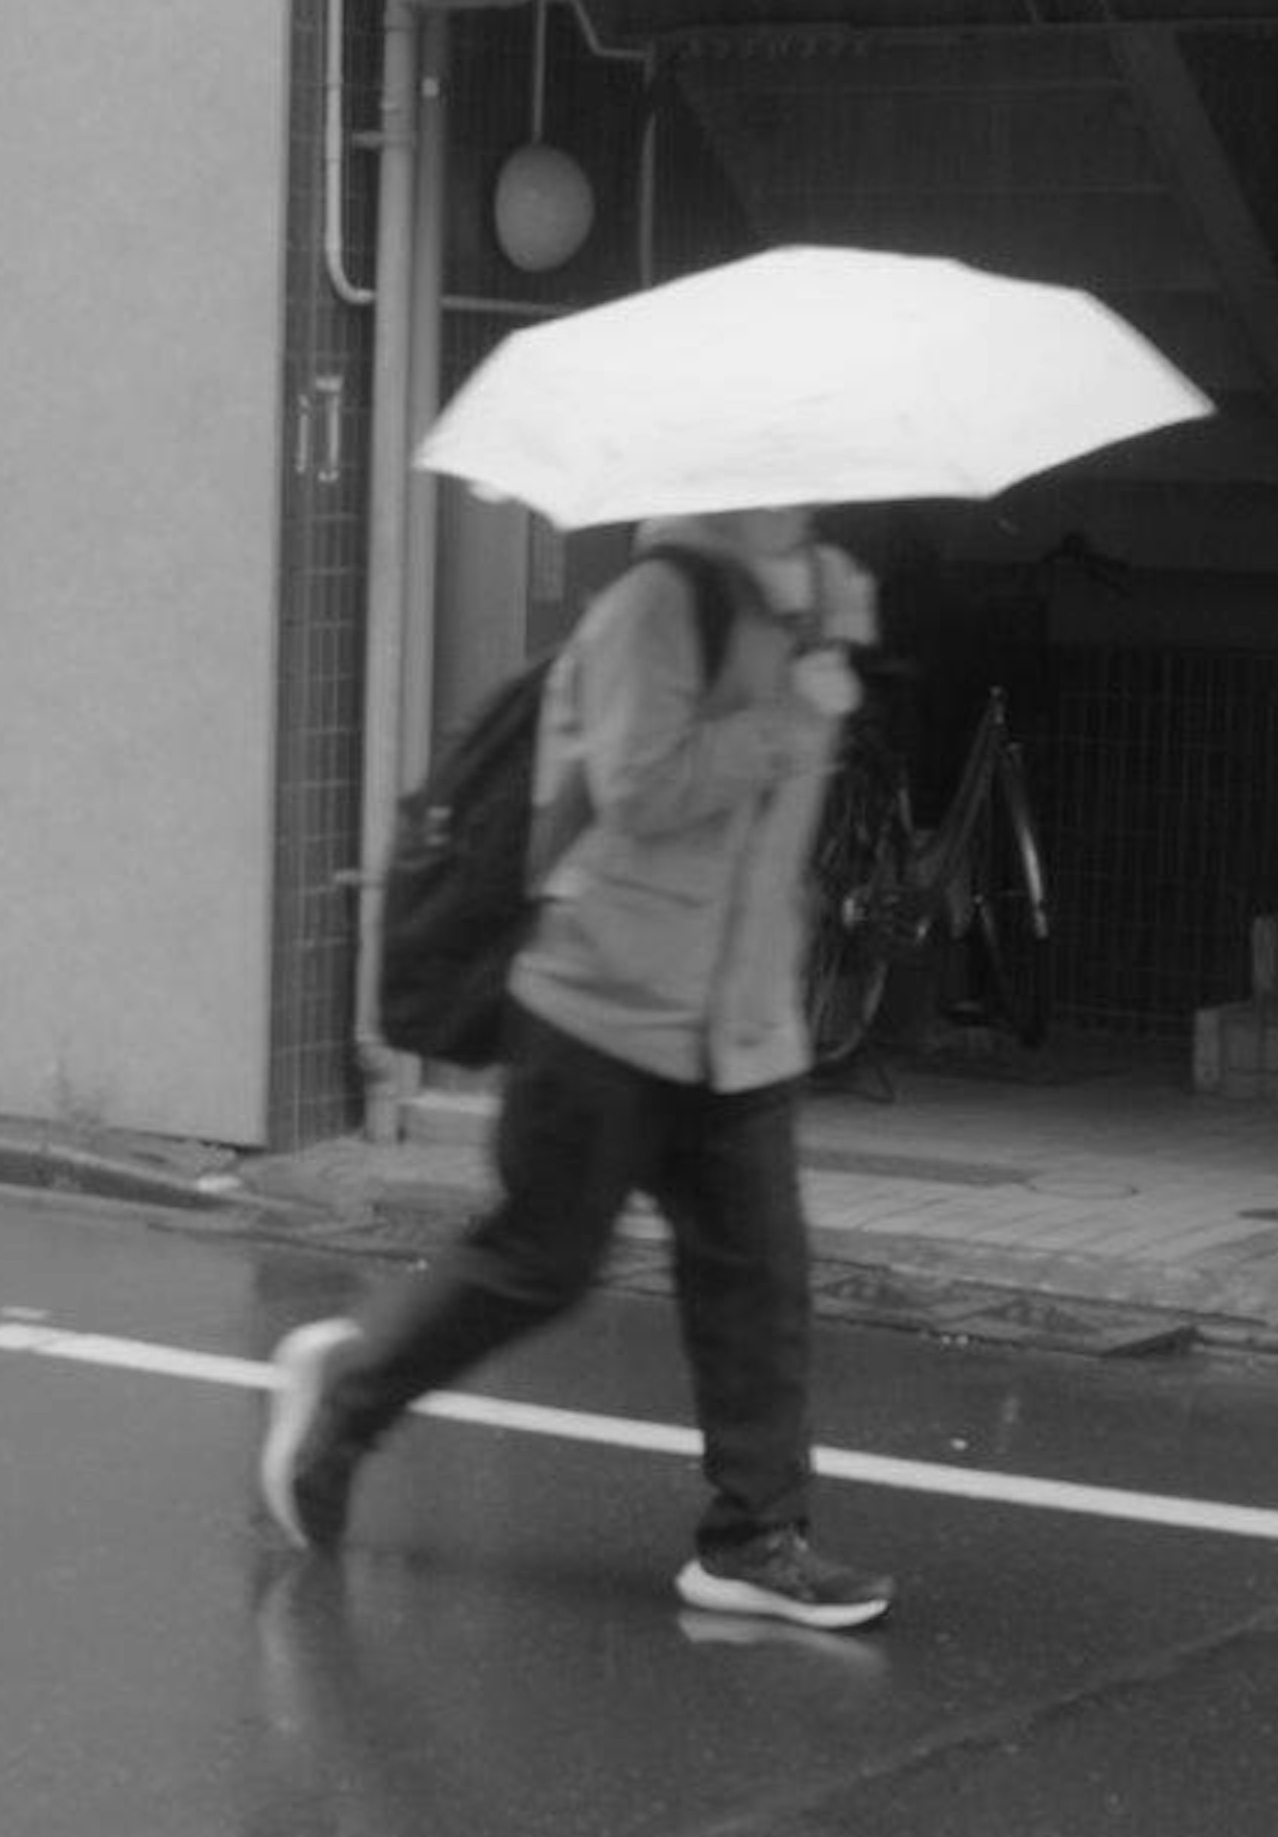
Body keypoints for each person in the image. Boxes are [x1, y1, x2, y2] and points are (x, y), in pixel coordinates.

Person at [257, 505, 895, 1629]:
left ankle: (754, 1539)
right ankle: (345, 1400)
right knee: (539, 1262)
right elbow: (645, 787)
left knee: (759, 1282)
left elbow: (766, 832)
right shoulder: (655, 604)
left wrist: (820, 650)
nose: (797, 500)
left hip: (738, 1024)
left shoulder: (810, 595)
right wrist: (798, 709)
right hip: (600, 1008)